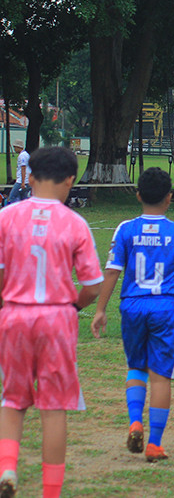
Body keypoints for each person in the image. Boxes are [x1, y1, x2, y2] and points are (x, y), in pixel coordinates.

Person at [0, 147, 105, 498]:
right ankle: (50, 492)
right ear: (70, 181)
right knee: (54, 406)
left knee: (13, 400)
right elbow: (92, 285)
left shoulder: (7, 217)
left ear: (29, 177)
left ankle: (8, 469)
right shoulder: (74, 223)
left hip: (14, 314)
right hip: (57, 317)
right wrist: (72, 306)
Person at [90, 167, 174, 463]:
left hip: (133, 306)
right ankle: (154, 444)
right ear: (169, 198)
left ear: (138, 195)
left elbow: (112, 271)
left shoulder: (125, 229)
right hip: (166, 306)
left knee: (136, 367)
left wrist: (100, 309)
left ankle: (135, 421)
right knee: (161, 377)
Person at [5, 140, 31, 205]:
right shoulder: (26, 154)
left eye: (15, 147)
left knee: (12, 197)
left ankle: (13, 212)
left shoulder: (22, 156)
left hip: (21, 181)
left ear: (19, 147)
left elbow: (23, 168)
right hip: (26, 180)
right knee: (23, 198)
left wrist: (22, 182)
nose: (14, 149)